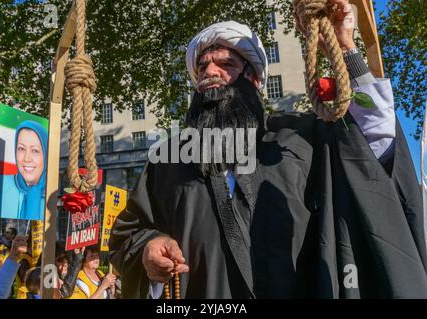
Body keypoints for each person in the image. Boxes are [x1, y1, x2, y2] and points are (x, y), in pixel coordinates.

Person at [109, 1, 427, 299]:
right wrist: (150, 247)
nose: (209, 72)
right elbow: (130, 233)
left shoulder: (302, 136)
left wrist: (345, 46)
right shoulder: (169, 161)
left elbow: (375, 144)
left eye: (225, 64)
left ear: (255, 77)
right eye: (203, 66)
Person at [0, 120, 48, 221]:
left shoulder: (52, 192)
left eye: (35, 151)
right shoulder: (0, 184)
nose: (27, 158)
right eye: (21, 149)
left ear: (46, 154)